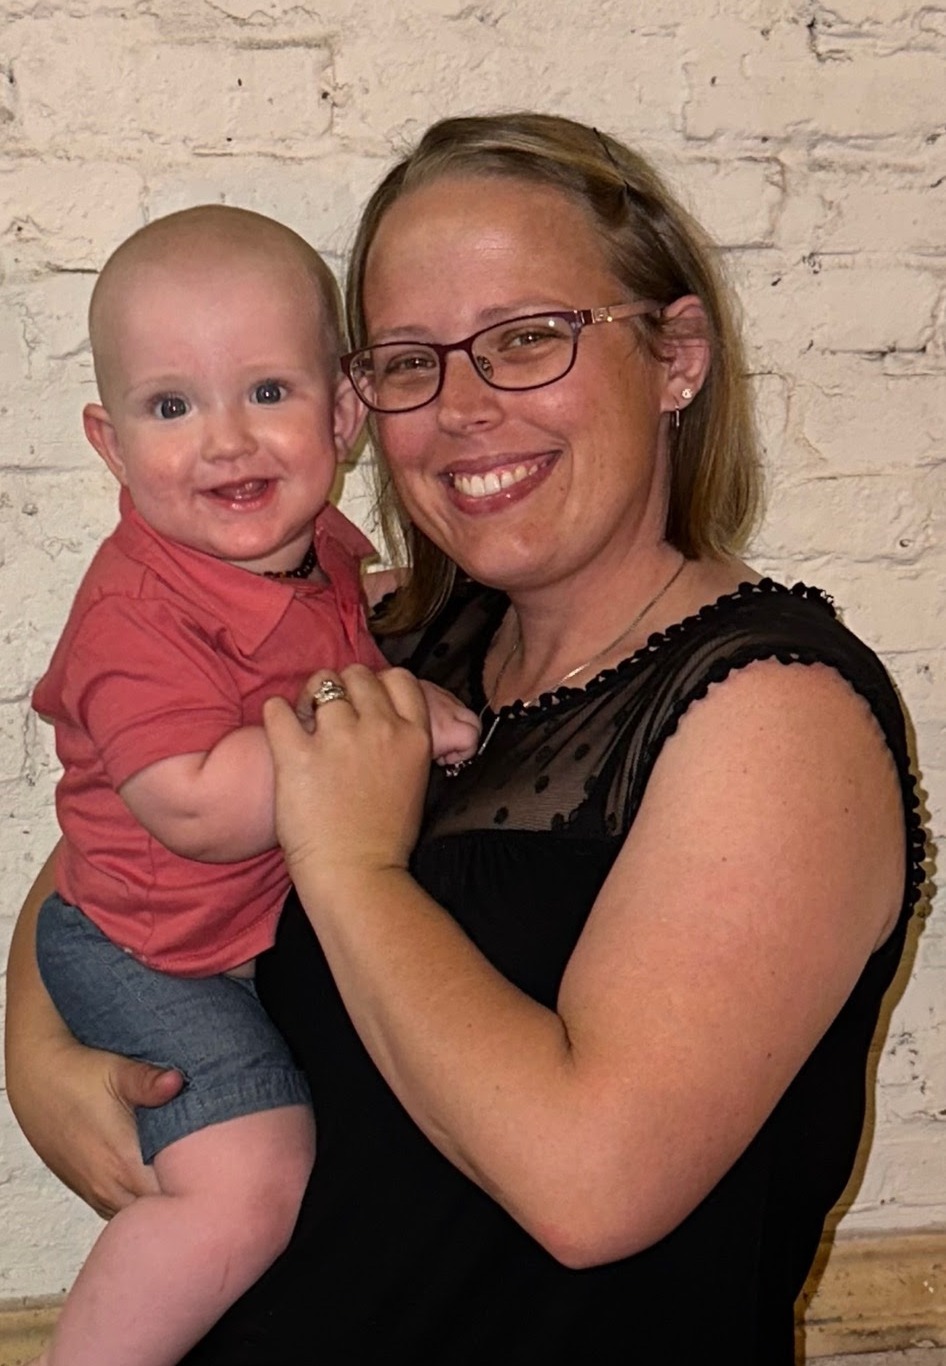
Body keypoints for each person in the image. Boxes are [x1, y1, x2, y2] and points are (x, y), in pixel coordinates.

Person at [6, 115, 925, 1366]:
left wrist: (351, 865)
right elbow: (103, 831)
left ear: (676, 357)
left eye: (528, 338)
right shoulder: (390, 629)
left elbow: (589, 1190)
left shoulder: (776, 711)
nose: (463, 409)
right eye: (406, 361)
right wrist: (36, 1047)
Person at [21, 204, 480, 1366]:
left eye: (267, 393)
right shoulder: (137, 613)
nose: (225, 443)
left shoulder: (321, 545)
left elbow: (331, 633)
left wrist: (369, 642)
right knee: (251, 1178)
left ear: (342, 412)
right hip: (148, 949)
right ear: (109, 441)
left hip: (231, 935)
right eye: (172, 407)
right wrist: (383, 715)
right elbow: (190, 800)